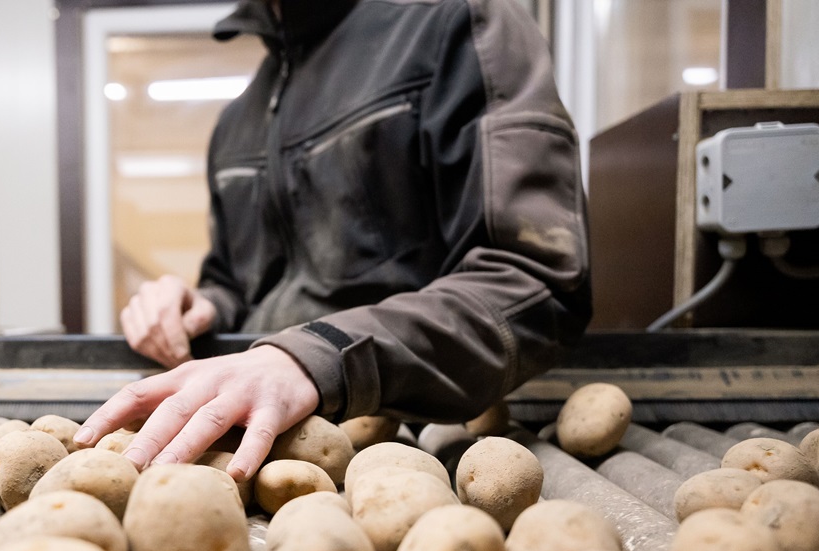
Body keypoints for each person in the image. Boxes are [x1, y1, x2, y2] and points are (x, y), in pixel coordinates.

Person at [73, 0, 592, 480]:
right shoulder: (239, 118)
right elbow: (242, 283)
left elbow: (535, 281)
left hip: (422, 442)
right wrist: (204, 304)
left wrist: (316, 359)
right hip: (264, 440)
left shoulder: (456, 24)